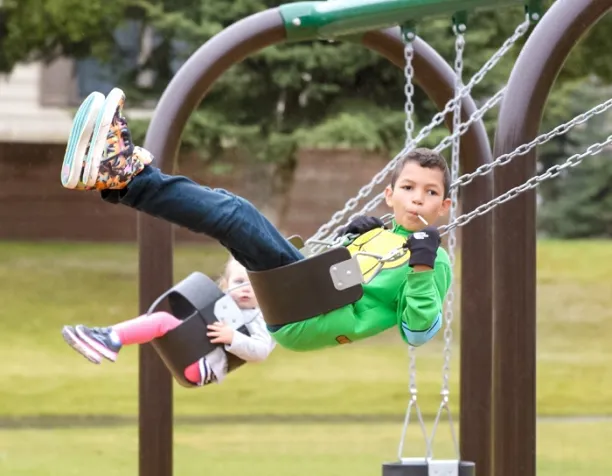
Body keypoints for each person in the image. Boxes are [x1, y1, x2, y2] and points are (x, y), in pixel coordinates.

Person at [61, 88, 452, 352]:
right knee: (231, 210)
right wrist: (345, 242)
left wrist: (421, 267)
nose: (417, 198)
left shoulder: (435, 261)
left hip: (310, 312)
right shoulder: (380, 235)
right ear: (390, 194)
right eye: (408, 187)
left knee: (236, 216)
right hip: (308, 294)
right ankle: (118, 179)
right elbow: (344, 276)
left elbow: (417, 332)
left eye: (430, 193)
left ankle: (125, 174)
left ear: (445, 206)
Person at [61, 257, 275, 386]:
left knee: (162, 321)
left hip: (203, 365)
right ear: (226, 284)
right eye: (239, 281)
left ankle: (110, 339)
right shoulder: (221, 303)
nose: (245, 288)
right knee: (161, 322)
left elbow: (262, 351)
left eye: (253, 283)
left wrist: (233, 337)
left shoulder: (262, 318)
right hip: (192, 355)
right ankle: (108, 337)